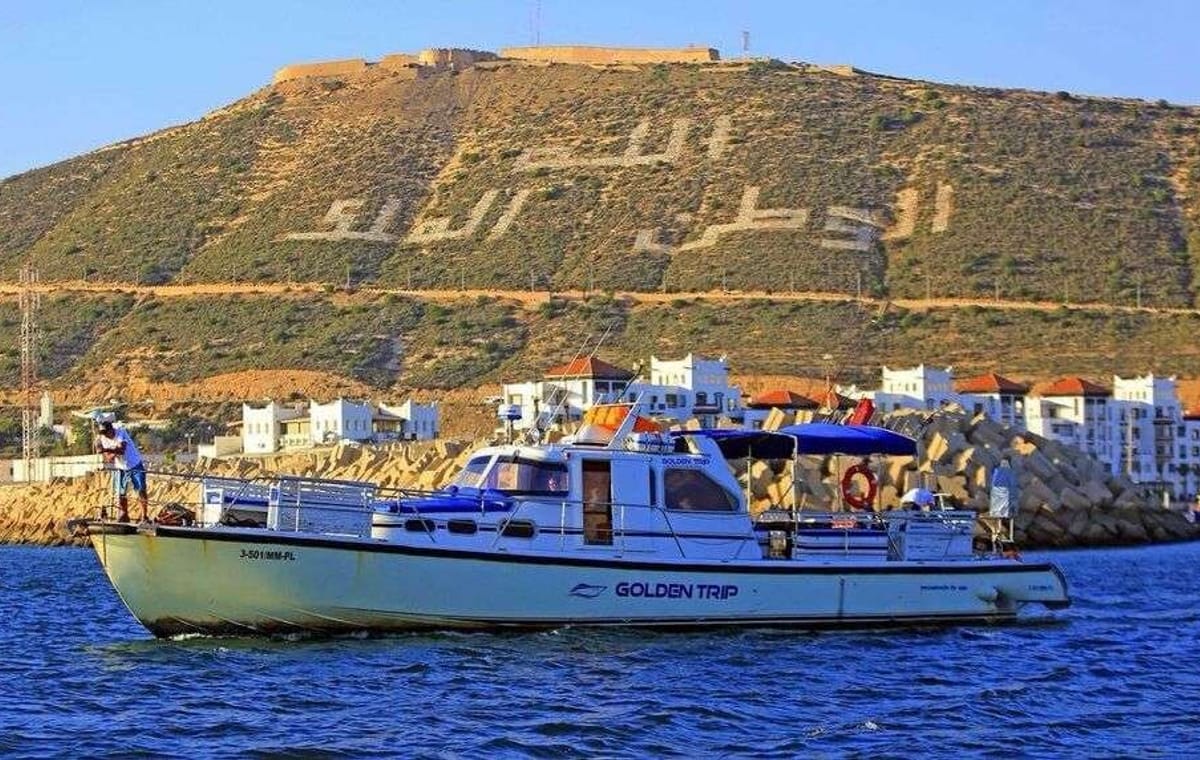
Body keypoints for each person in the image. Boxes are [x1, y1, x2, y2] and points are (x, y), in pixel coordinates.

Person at [95, 416, 148, 522]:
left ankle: (144, 516)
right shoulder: (104, 438)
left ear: (111, 430)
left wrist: (108, 450)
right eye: (103, 434)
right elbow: (108, 457)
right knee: (120, 492)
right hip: (120, 467)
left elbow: (122, 450)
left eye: (106, 433)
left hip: (134, 464)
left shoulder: (120, 433)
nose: (105, 436)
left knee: (140, 489)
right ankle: (124, 514)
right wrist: (111, 451)